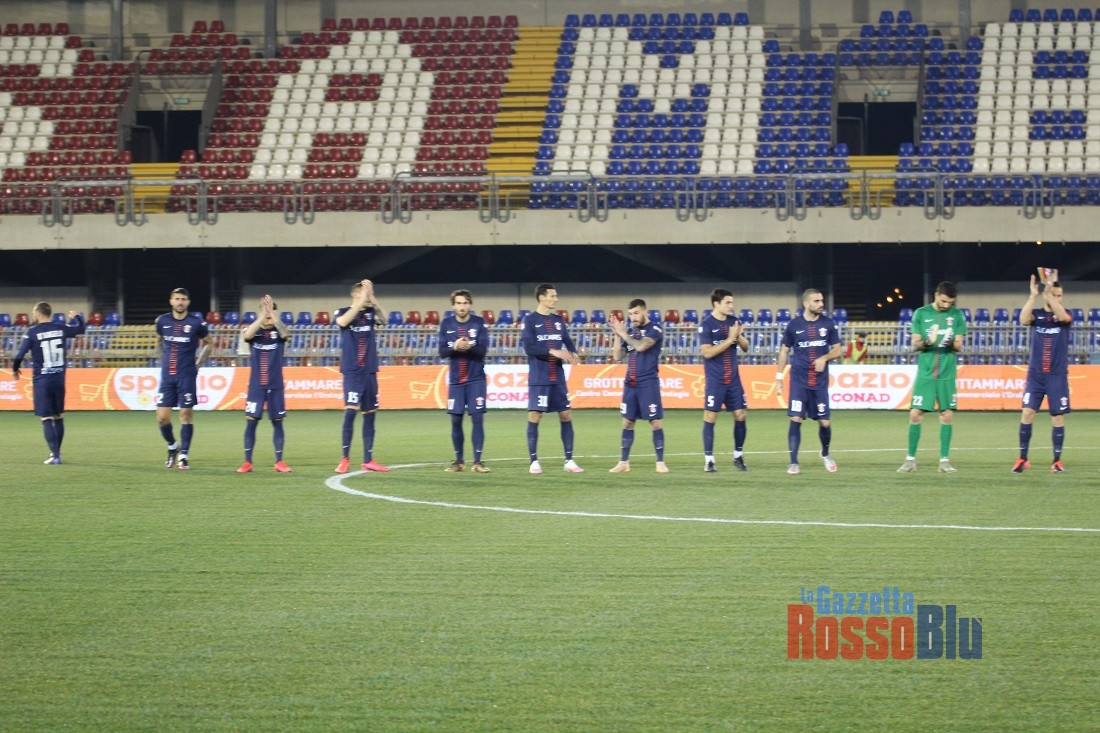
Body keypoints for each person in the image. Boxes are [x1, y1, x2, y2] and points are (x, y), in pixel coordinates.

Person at [897, 281, 967, 473]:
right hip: (926, 372)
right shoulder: (921, 313)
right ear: (936, 295)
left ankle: (944, 461)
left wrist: (949, 341)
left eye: (950, 302)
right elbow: (915, 344)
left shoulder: (957, 315)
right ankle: (910, 460)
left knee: (947, 415)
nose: (946, 305)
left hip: (947, 372)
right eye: (944, 301)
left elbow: (959, 345)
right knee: (915, 414)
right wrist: (929, 341)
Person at [776, 288, 842, 475]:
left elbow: (837, 350)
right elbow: (784, 351)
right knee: (796, 418)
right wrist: (779, 377)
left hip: (819, 382)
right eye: (817, 301)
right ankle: (793, 462)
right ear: (806, 304)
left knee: (825, 423)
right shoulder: (794, 325)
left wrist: (824, 358)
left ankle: (825, 454)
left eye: (822, 300)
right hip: (799, 380)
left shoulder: (828, 324)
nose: (821, 304)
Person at [12, 302, 86, 464]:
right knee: (58, 416)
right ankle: (57, 453)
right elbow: (81, 329)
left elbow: (19, 355)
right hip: (59, 379)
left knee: (46, 418)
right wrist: (77, 317)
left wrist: (15, 369)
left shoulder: (32, 332)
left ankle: (55, 455)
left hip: (42, 381)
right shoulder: (61, 328)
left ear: (38, 314)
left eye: (34, 312)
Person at [521, 283, 583, 474]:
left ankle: (569, 460)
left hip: (558, 377)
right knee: (535, 415)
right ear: (542, 297)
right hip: (539, 377)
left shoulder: (558, 320)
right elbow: (529, 348)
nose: (556, 299)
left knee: (565, 415)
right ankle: (534, 461)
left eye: (556, 296)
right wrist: (553, 352)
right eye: (552, 296)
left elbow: (567, 340)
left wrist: (573, 353)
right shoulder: (530, 320)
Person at [1014, 274, 1073, 473]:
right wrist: (1033, 296)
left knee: (1057, 417)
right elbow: (1023, 319)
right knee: (1027, 413)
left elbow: (1063, 317)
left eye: (1059, 295)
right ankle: (1022, 459)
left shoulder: (1065, 315)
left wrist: (1048, 296)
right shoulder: (1037, 315)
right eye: (1054, 294)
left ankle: (1057, 461)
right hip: (1036, 375)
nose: (1057, 298)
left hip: (1057, 376)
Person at [334, 278, 389, 473]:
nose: (366, 297)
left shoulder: (371, 313)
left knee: (370, 414)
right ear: (355, 294)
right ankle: (345, 458)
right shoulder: (342, 312)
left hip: (370, 370)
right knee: (350, 412)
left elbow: (385, 320)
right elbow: (342, 322)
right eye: (363, 293)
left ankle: (368, 459)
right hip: (352, 371)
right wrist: (359, 304)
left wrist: (373, 298)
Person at [608, 298, 668, 473]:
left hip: (648, 382)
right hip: (631, 382)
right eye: (630, 314)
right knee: (627, 422)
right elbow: (618, 356)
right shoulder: (631, 332)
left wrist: (624, 334)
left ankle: (660, 462)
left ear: (645, 312)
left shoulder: (655, 329)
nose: (633, 317)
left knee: (655, 422)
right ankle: (623, 462)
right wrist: (617, 335)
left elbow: (641, 346)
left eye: (636, 313)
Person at [154, 287, 211, 470]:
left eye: (183, 299)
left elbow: (209, 343)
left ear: (188, 302)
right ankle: (173, 446)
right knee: (162, 418)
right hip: (167, 377)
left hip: (186, 376)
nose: (180, 302)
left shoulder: (196, 323)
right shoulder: (162, 321)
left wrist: (198, 363)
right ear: (171, 301)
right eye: (177, 299)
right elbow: (159, 340)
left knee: (185, 415)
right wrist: (162, 358)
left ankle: (184, 455)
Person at [237, 294, 292, 474]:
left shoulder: (280, 331)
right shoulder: (254, 331)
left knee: (278, 422)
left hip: (275, 385)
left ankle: (279, 461)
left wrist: (272, 316)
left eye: (271, 310)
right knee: (251, 422)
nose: (268, 313)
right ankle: (247, 462)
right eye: (264, 309)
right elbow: (247, 336)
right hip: (256, 386)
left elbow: (286, 334)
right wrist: (262, 316)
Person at [699, 288, 750, 473]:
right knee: (710, 417)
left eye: (732, 302)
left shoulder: (733, 322)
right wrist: (729, 339)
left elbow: (746, 347)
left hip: (733, 379)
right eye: (727, 302)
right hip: (715, 379)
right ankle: (709, 460)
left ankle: (738, 456)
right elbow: (707, 352)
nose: (731, 305)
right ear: (716, 303)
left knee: (741, 415)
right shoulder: (706, 324)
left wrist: (739, 335)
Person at [438, 289, 490, 473]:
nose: (462, 307)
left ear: (470, 305)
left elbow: (482, 351)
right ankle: (459, 461)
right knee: (455, 419)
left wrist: (468, 347)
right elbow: (442, 352)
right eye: (459, 303)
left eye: (465, 303)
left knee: (477, 417)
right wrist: (455, 346)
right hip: (456, 382)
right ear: (453, 306)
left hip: (476, 380)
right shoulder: (446, 324)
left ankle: (478, 462)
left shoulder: (479, 322)